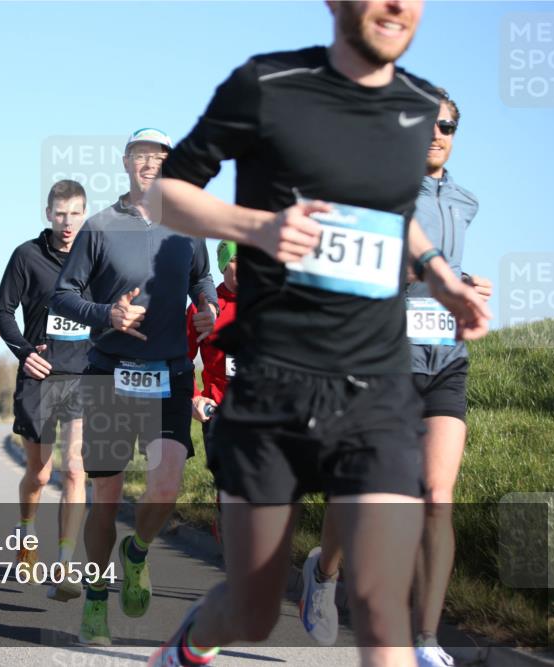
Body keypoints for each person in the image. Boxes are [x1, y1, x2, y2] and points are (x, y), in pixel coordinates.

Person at [143, 2, 491, 666]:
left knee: (381, 598)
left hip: (377, 388)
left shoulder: (417, 105)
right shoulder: (267, 85)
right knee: (250, 608)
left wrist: (440, 276)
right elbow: (167, 194)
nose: (397, 5)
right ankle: (189, 643)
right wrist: (256, 227)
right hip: (273, 382)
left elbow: (393, 211)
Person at [298, 90, 494, 667]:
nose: (439, 134)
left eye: (450, 126)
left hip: (446, 360)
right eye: (429, 125)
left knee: (438, 496)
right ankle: (324, 571)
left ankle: (427, 640)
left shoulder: (466, 199)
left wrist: (469, 285)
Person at [51, 128, 218, 646]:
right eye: (143, 155)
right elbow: (63, 294)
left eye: (161, 156)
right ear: (126, 162)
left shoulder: (187, 226)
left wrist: (209, 309)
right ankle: (96, 603)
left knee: (166, 483)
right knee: (106, 495)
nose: (152, 163)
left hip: (169, 371)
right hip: (110, 372)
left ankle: (138, 551)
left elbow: (201, 280)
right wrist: (108, 313)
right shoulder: (99, 227)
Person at [0, 179, 92, 601]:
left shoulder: (96, 258)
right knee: (39, 474)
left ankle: (66, 565)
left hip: (84, 375)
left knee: (74, 469)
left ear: (84, 215)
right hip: (38, 376)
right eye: (60, 213)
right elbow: (3, 310)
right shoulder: (26, 256)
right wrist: (21, 352)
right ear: (48, 214)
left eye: (75, 214)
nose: (67, 222)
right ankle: (26, 535)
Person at [186, 241, 239, 543]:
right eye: (236, 260)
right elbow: (181, 355)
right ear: (223, 265)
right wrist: (194, 396)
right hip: (219, 412)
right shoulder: (204, 305)